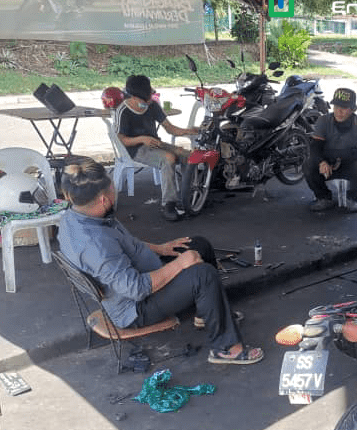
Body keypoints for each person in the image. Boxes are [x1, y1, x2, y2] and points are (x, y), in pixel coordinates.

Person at [57, 157, 263, 366]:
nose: (115, 191)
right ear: (103, 200)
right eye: (113, 188)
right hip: (136, 309)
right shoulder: (95, 245)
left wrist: (161, 248)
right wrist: (179, 264)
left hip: (139, 278)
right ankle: (226, 348)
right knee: (204, 275)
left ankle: (207, 314)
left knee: (198, 245)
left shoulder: (76, 216)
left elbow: (125, 243)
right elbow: (136, 289)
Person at [115, 74, 199, 222]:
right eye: (144, 100)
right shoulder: (123, 110)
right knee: (168, 158)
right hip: (135, 149)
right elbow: (123, 140)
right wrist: (142, 139)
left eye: (149, 98)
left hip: (155, 144)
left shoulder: (152, 105)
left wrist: (190, 131)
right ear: (133, 97)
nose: (148, 102)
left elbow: (170, 128)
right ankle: (168, 204)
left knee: (189, 155)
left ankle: (188, 194)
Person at [304, 87, 357, 213]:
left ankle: (352, 198)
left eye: (344, 108)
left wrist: (337, 162)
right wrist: (322, 162)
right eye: (336, 107)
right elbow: (315, 147)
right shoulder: (323, 120)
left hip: (349, 163)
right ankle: (323, 197)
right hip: (327, 163)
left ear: (352, 109)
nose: (339, 111)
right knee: (308, 164)